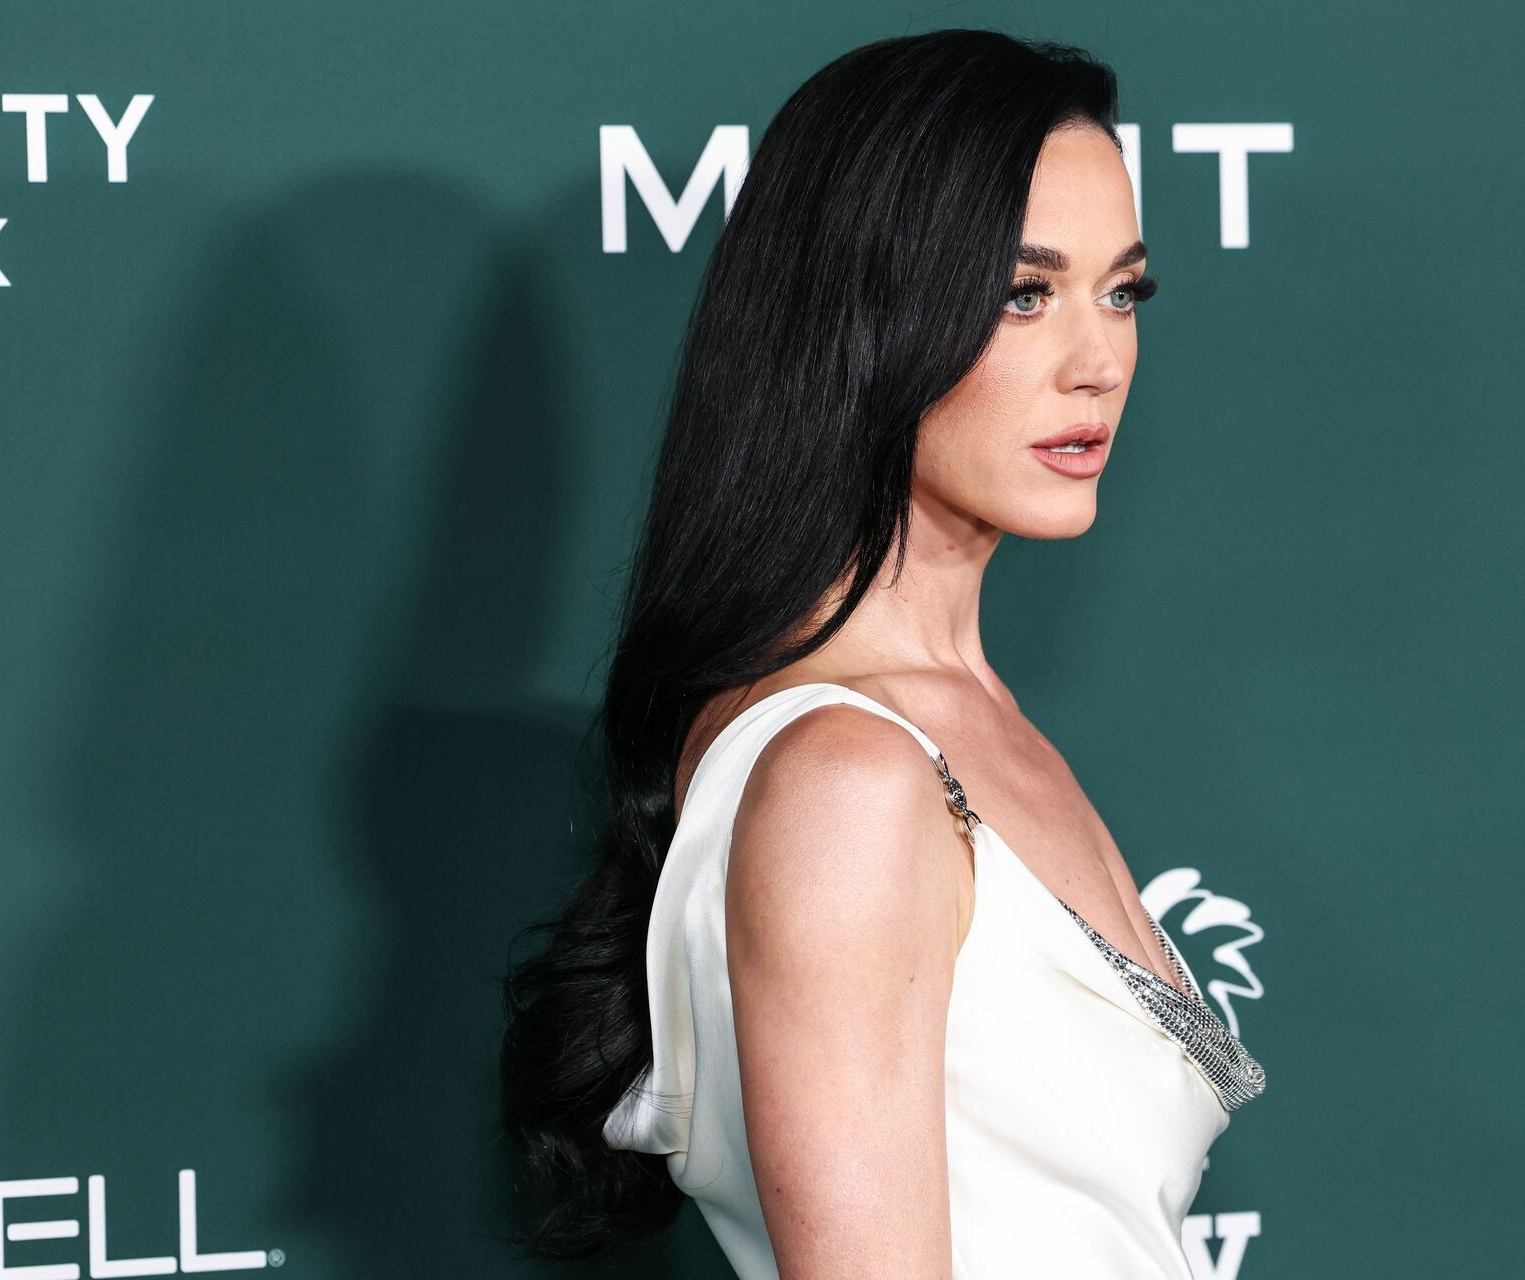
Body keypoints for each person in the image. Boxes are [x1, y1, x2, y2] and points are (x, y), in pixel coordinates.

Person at [499, 27, 1265, 1279]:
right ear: (863, 321)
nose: (1100, 362)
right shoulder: (844, 778)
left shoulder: (960, 715)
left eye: (1122, 291)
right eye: (1024, 295)